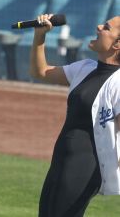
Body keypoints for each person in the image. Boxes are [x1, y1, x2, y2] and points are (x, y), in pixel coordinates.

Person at [30, 14, 120, 217]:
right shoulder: (85, 68)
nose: (98, 26)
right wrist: (39, 36)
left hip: (85, 167)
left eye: (106, 27)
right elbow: (41, 72)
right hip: (61, 160)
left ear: (117, 45)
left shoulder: (118, 83)